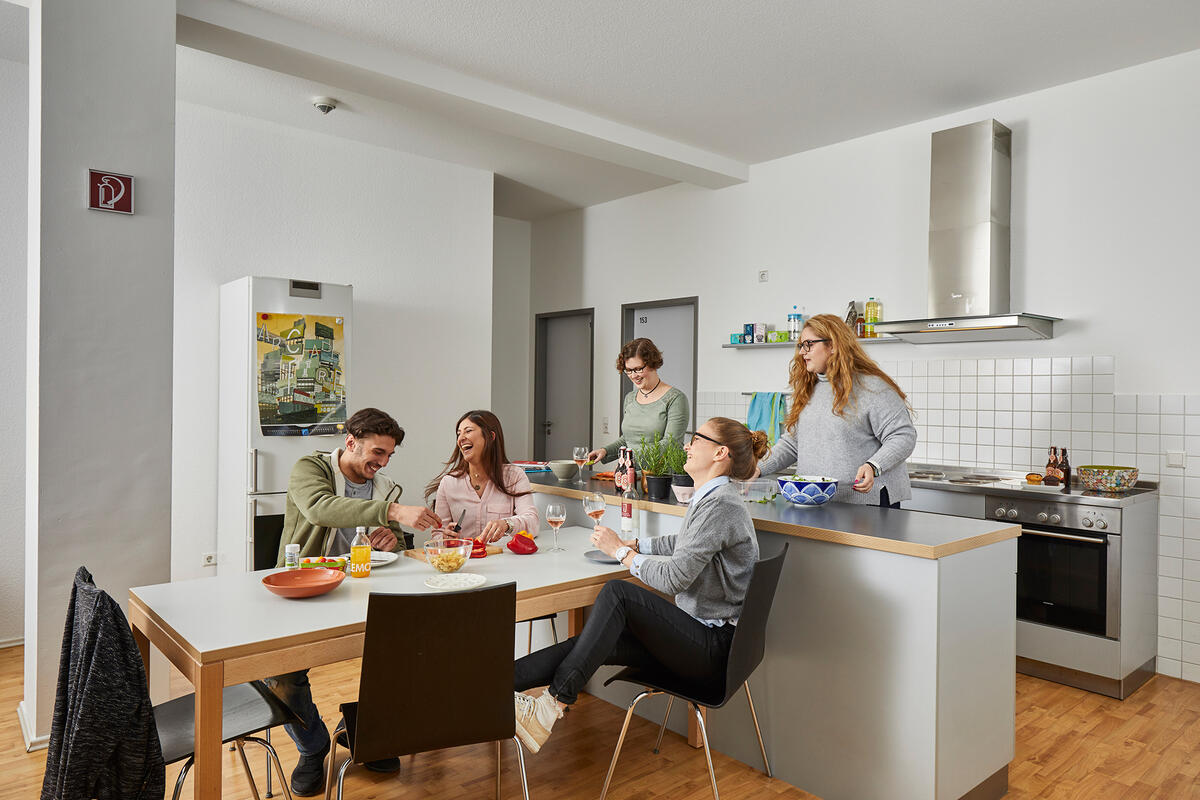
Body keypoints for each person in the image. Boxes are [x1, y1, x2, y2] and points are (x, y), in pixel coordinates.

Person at [513, 417, 767, 753]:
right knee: (595, 641)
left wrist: (618, 551)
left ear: (720, 452)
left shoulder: (720, 504)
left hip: (713, 652)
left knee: (618, 593)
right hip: (702, 638)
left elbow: (674, 578)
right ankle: (495, 689)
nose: (687, 445)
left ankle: (551, 704)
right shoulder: (714, 498)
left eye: (695, 438)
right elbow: (687, 542)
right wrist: (638, 546)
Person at [268, 407, 441, 795]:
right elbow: (321, 508)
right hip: (306, 586)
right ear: (350, 442)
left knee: (405, 654)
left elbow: (394, 542)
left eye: (388, 456)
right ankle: (312, 749)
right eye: (377, 453)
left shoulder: (384, 486)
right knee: (282, 673)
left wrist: (390, 539)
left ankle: (363, 732)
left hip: (364, 589)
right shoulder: (309, 469)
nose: (381, 463)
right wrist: (393, 511)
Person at [757, 313, 916, 508]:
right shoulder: (808, 389)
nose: (802, 352)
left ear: (832, 345)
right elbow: (793, 443)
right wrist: (757, 469)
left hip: (866, 503)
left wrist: (874, 466)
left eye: (809, 344)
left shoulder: (872, 387)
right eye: (801, 345)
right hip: (817, 502)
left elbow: (903, 436)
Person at [425, 410, 540, 542]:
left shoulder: (514, 476)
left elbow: (533, 522)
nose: (461, 439)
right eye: (458, 433)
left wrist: (507, 524)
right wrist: (445, 537)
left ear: (490, 436)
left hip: (504, 559)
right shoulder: (448, 483)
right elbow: (437, 534)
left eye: (468, 431)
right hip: (464, 561)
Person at [585, 337, 689, 465]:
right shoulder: (630, 398)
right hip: (629, 472)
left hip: (660, 476)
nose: (634, 376)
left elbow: (670, 444)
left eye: (638, 369)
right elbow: (627, 439)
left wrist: (629, 456)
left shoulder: (675, 399)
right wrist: (605, 451)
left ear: (652, 363)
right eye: (628, 370)